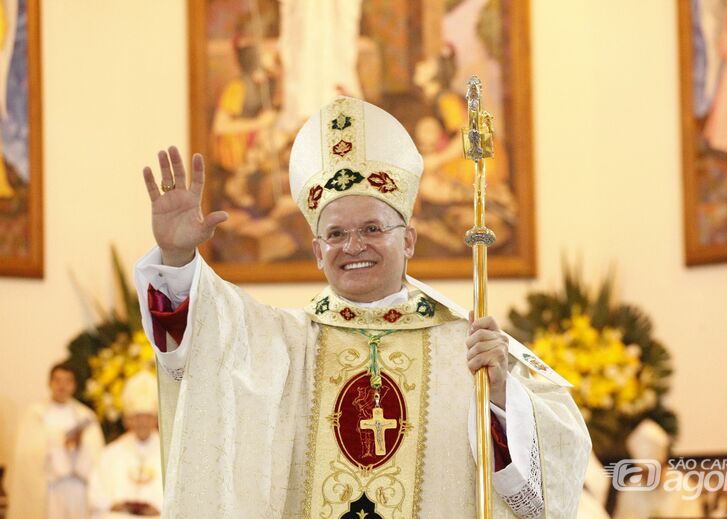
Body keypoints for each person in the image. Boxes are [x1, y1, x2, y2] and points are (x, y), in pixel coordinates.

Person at [135, 96, 590, 518]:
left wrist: (499, 395)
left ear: (408, 240)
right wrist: (177, 260)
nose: (354, 246)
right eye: (335, 234)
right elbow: (205, 340)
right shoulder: (285, 343)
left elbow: (561, 447)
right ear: (317, 251)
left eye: (372, 228)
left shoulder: (467, 343)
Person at [6, 363, 105, 519]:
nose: (62, 386)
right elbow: (26, 457)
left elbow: (97, 457)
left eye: (67, 381)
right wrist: (60, 444)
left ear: (74, 385)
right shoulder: (34, 414)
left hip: (78, 490)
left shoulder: (86, 416)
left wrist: (79, 447)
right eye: (57, 381)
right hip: (49, 490)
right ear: (49, 383)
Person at [88, 371, 163, 518]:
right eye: (136, 417)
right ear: (126, 420)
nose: (142, 422)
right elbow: (95, 497)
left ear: (156, 420)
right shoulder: (110, 454)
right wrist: (114, 505)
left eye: (147, 417)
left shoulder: (169, 455)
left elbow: (180, 496)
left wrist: (159, 507)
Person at [613, 419, 703, 519]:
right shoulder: (629, 493)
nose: (649, 476)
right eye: (644, 472)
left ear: (663, 464)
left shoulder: (684, 488)